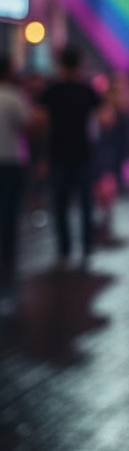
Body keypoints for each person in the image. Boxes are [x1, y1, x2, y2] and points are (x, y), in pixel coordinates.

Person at [35, 47, 100, 263]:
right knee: (85, 203)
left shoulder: (50, 91)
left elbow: (41, 123)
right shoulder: (87, 91)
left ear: (61, 65)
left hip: (57, 153)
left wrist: (42, 156)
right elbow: (105, 119)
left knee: (60, 204)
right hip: (83, 154)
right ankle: (86, 246)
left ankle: (64, 249)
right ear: (79, 65)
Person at [0, 56, 30, 286]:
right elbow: (27, 125)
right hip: (11, 161)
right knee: (9, 212)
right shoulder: (13, 96)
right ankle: (7, 256)